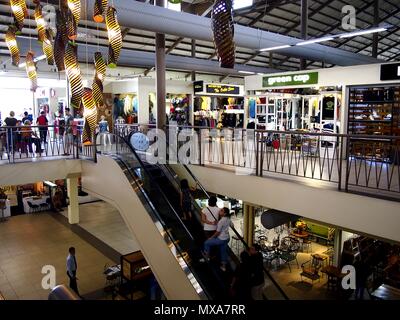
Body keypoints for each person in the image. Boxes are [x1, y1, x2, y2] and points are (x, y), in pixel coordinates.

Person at [202, 207, 232, 272]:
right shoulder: (228, 218)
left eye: (221, 210)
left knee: (206, 243)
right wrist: (220, 223)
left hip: (221, 239)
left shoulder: (221, 221)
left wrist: (211, 237)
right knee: (223, 251)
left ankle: (207, 257)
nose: (220, 211)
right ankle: (223, 266)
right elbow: (232, 225)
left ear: (224, 213)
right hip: (227, 238)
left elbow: (217, 232)